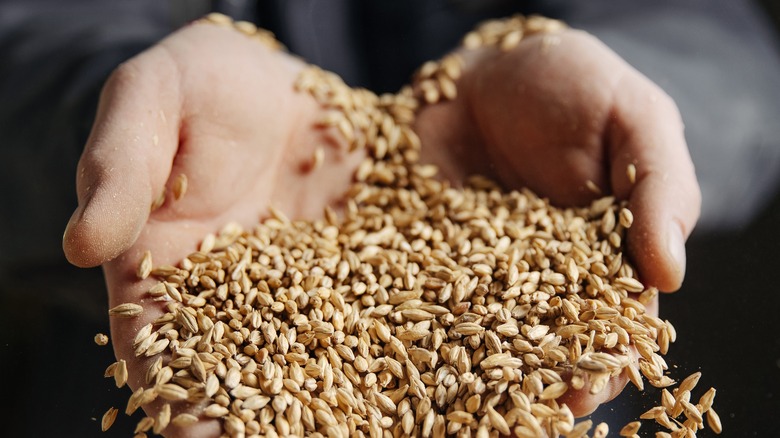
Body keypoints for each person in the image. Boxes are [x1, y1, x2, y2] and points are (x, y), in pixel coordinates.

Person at [2, 0, 779, 436]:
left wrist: (634, 112)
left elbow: (732, 52)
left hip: (561, 412)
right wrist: (127, 134)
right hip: (121, 376)